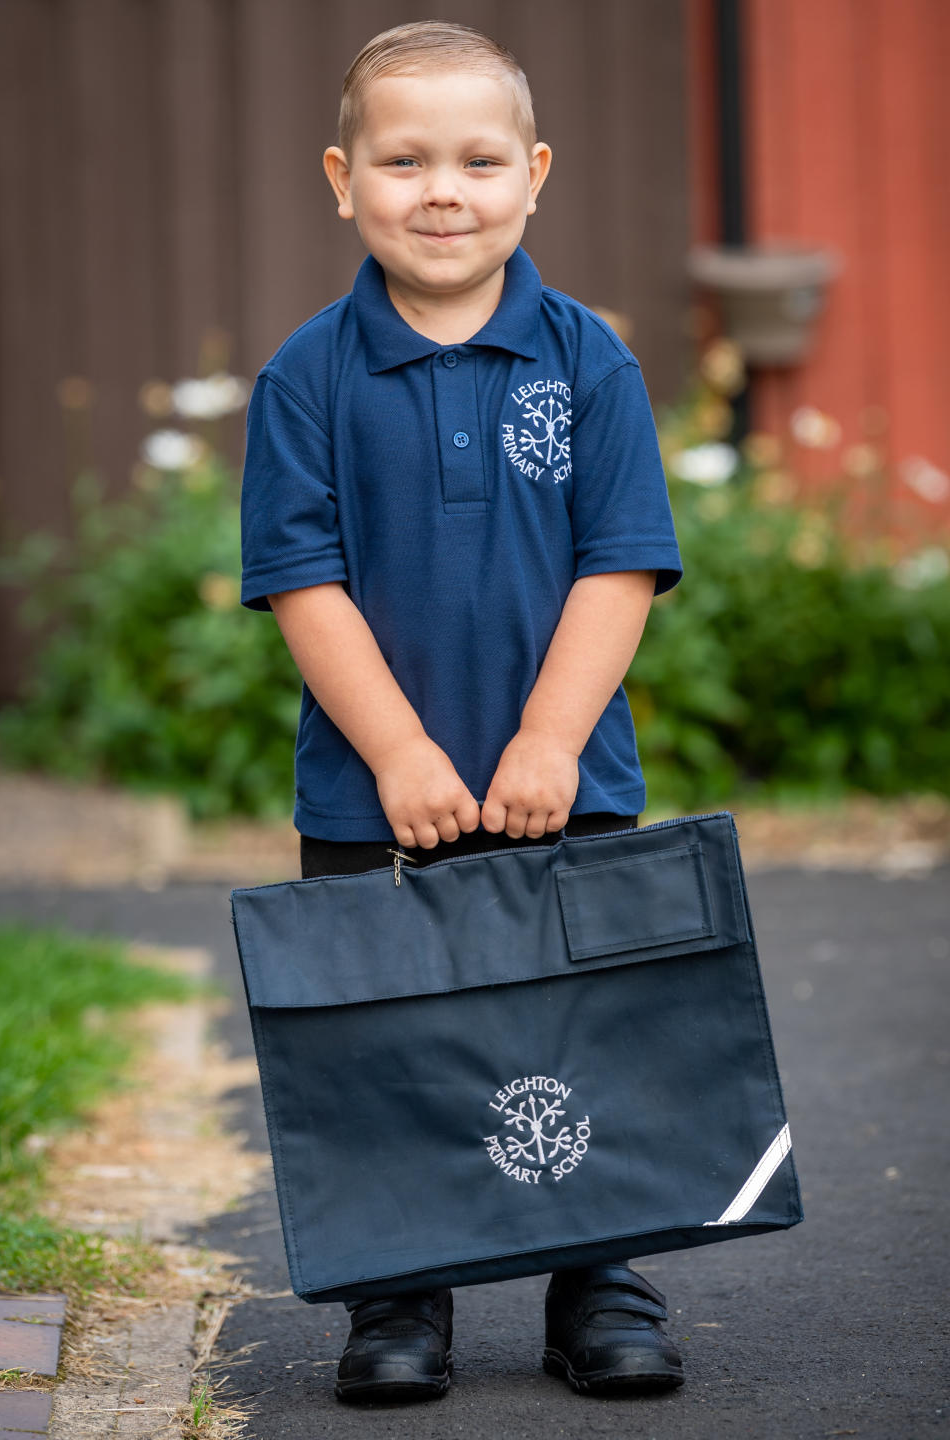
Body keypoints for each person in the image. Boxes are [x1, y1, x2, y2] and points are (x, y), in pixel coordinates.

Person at [240, 19, 684, 1405]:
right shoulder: (306, 380)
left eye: (480, 159)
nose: (445, 189)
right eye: (405, 159)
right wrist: (399, 752)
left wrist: (549, 738)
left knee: (576, 1029)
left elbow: (622, 568)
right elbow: (303, 585)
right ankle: (398, 1295)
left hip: (570, 784)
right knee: (389, 1039)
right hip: (374, 797)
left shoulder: (588, 363)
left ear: (535, 174)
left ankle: (601, 1279)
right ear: (341, 177)